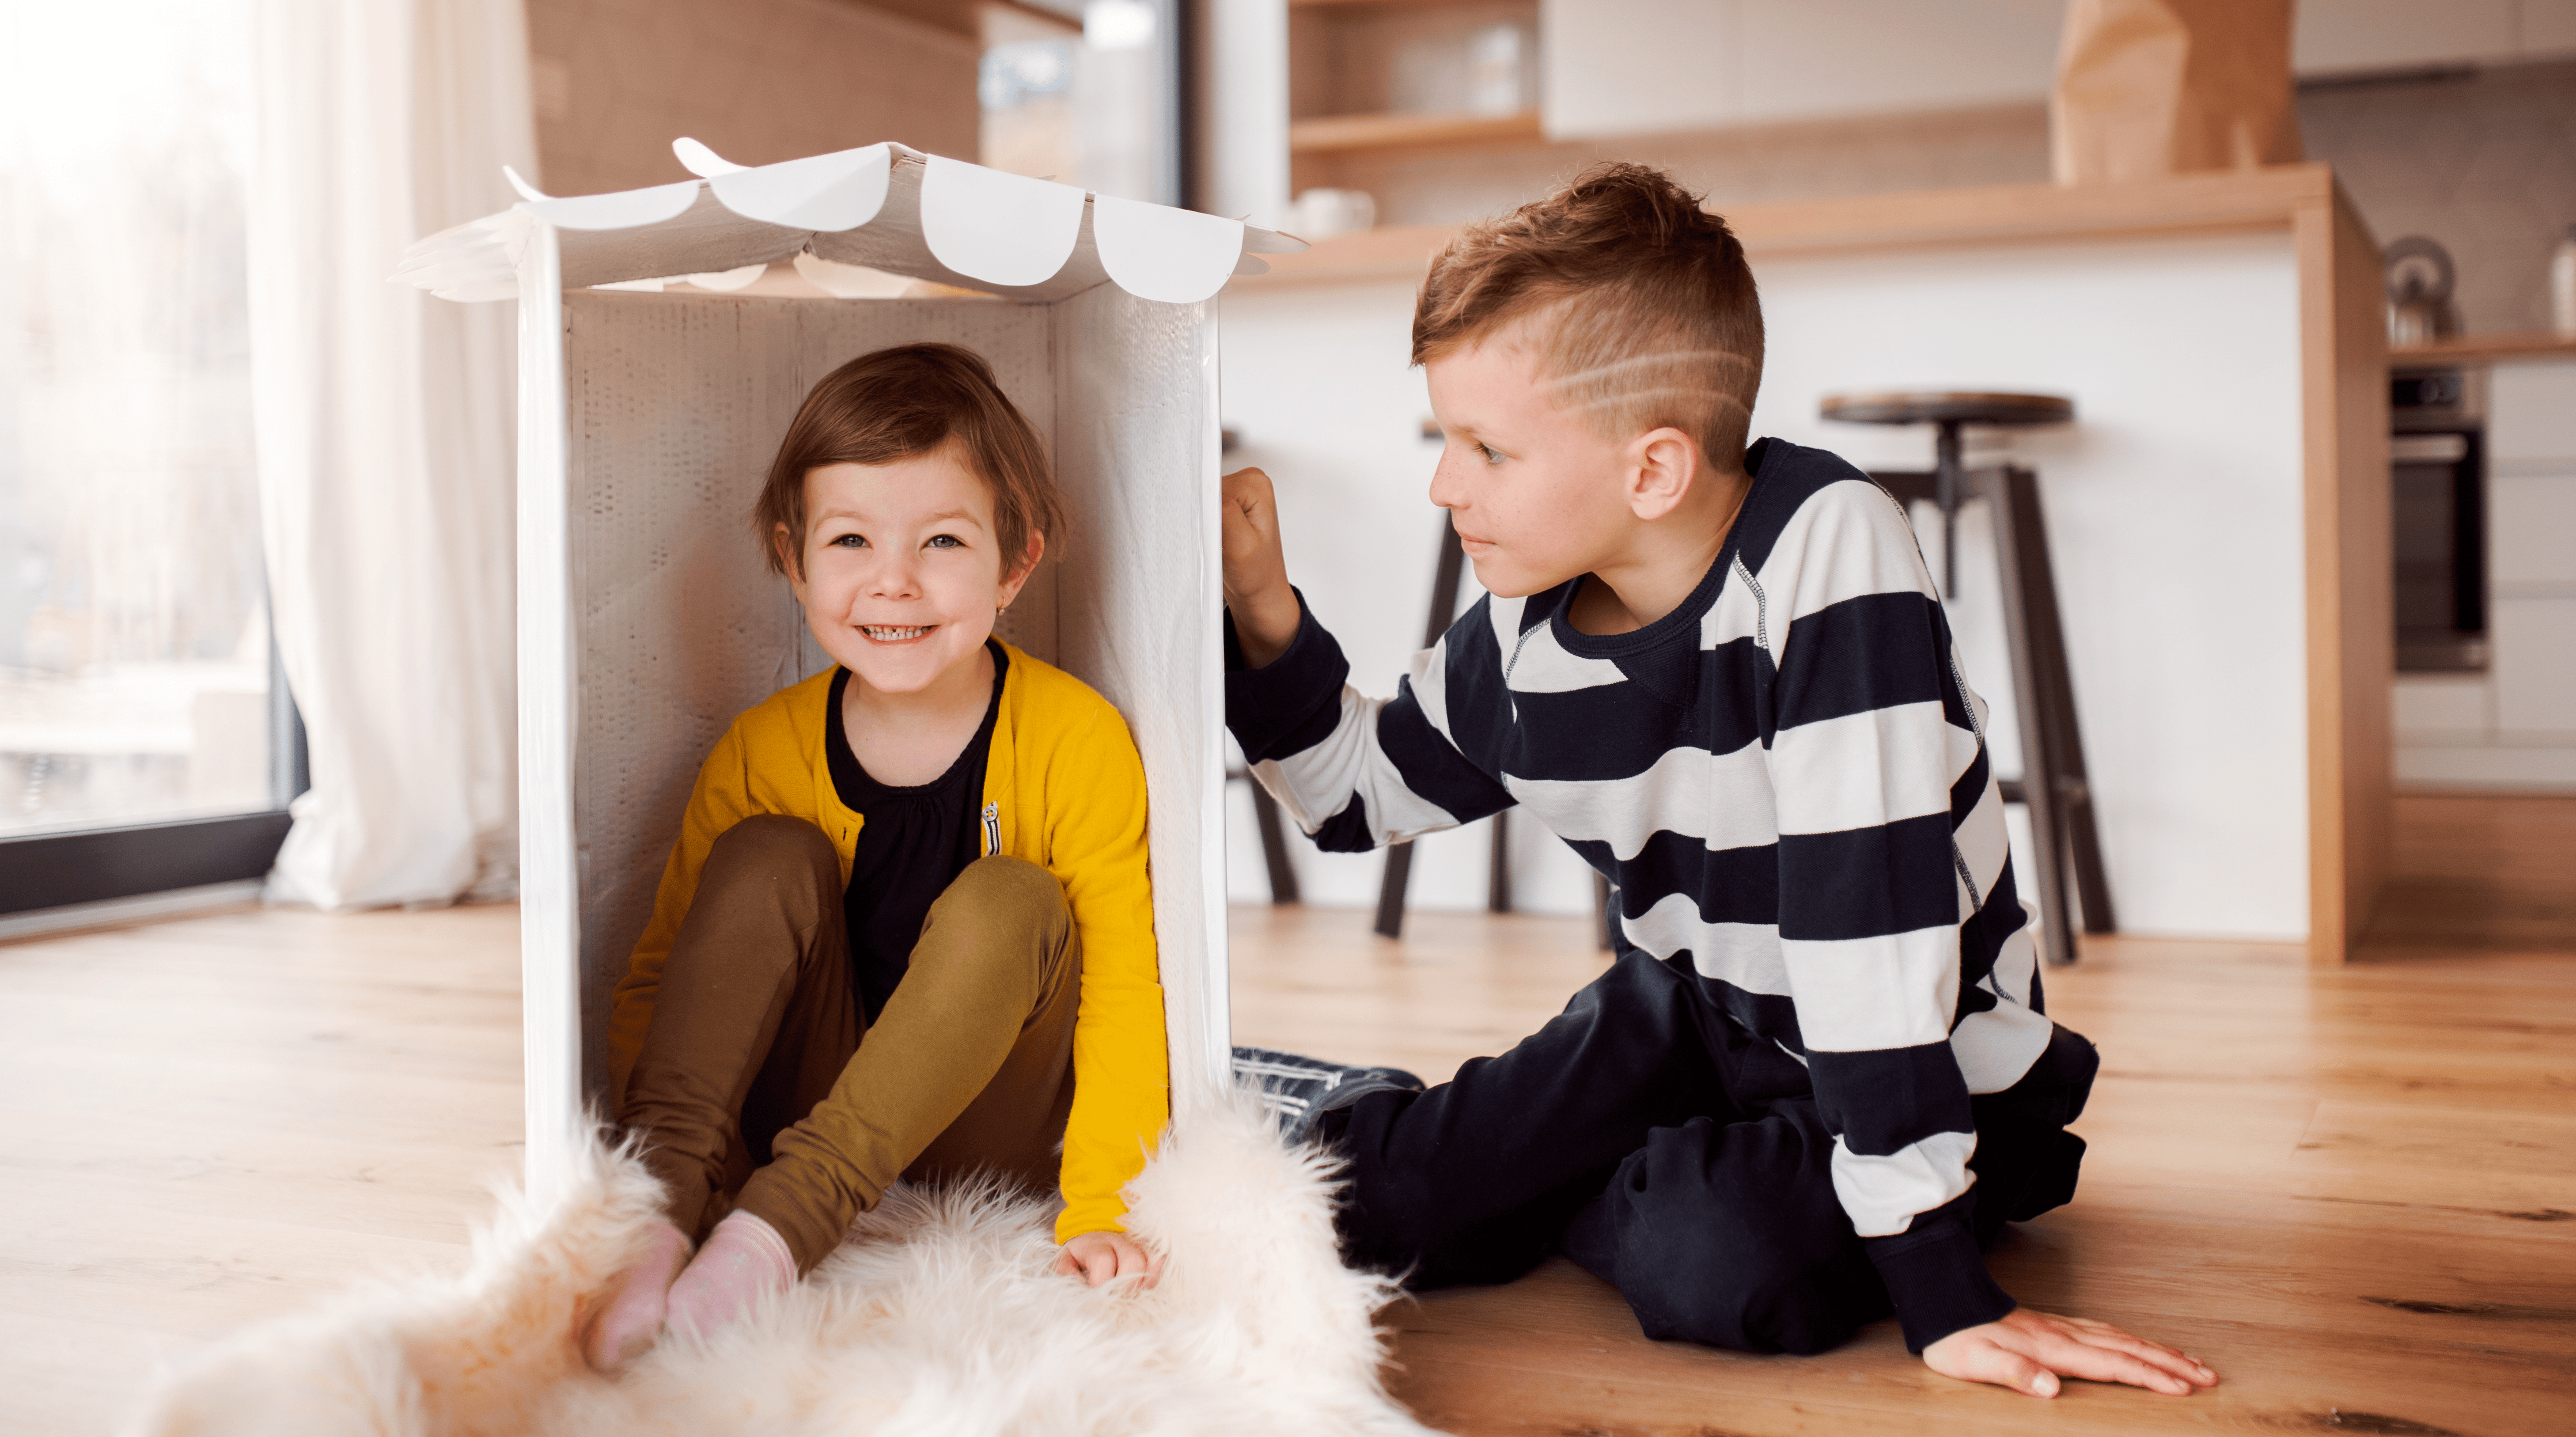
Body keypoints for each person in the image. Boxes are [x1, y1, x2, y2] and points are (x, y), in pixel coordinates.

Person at [1221, 164, 2217, 1401]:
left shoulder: (1828, 552)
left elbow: (1872, 927)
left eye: (1484, 448)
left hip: (1929, 1060)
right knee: (1360, 1202)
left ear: (1650, 472)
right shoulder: (1522, 633)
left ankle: (1636, 1180)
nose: (1443, 485)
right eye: (1445, 440)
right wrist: (1260, 614)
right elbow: (1350, 794)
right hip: (1696, 1015)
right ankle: (1443, 1136)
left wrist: (1943, 1287)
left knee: (1715, 1262)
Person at [582, 343, 1169, 1370]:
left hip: (991, 1124)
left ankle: (779, 1232)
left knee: (1013, 901)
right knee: (763, 856)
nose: (893, 582)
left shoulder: (1076, 739)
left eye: (942, 540)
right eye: (850, 539)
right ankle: (662, 1216)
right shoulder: (762, 748)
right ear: (794, 557)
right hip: (807, 1093)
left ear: (1016, 561)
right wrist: (666, 1159)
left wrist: (1102, 1202)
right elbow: (668, 978)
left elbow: (1123, 982)